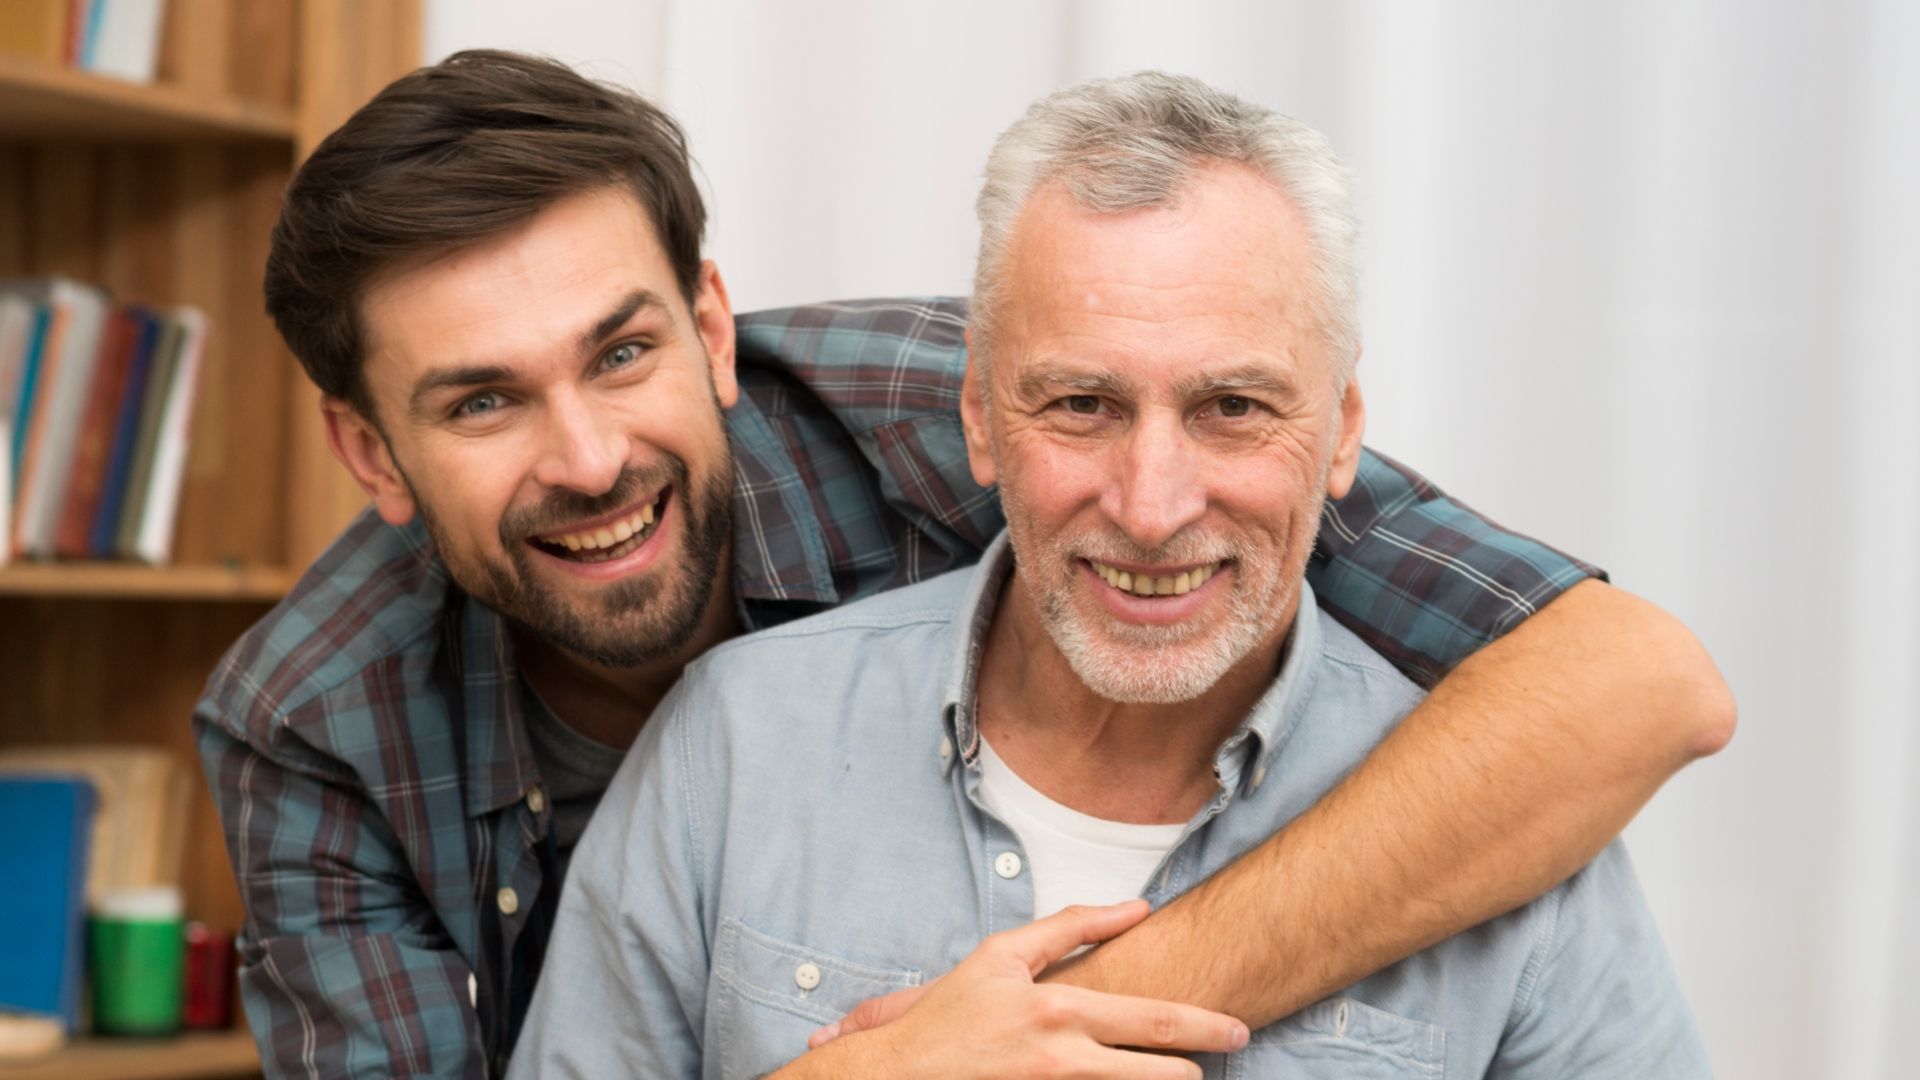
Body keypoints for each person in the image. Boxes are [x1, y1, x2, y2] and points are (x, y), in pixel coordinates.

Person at [196, 52, 1732, 1078]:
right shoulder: (345, 723)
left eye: (622, 352)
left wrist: (1058, 1034)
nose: (1149, 495)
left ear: (711, 328)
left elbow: (1634, 682)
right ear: (371, 451)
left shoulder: (1480, 799)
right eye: (479, 400)